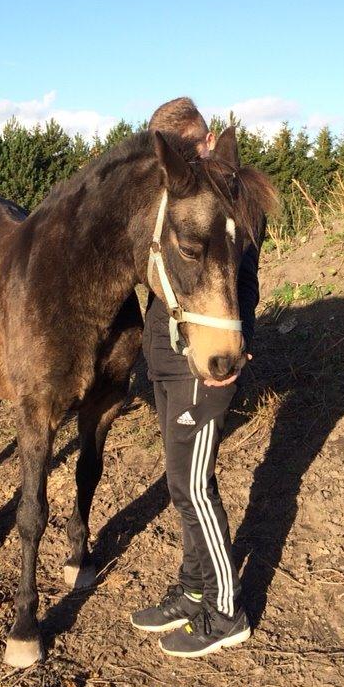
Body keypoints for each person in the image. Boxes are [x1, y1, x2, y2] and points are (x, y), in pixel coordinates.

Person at [131, 97, 261, 657]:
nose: (201, 155)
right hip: (165, 354)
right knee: (180, 484)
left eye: (202, 144)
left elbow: (240, 290)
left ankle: (226, 611)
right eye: (191, 150)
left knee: (193, 487)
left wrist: (227, 355)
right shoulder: (174, 200)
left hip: (202, 361)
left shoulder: (231, 205)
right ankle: (191, 589)